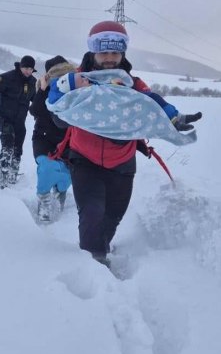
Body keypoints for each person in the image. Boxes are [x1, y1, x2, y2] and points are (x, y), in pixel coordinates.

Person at [49, 21, 199, 268]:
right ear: (93, 51)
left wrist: (174, 117)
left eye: (115, 52)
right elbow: (55, 101)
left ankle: (102, 246)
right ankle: (93, 264)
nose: (109, 58)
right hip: (84, 158)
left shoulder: (132, 84)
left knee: (113, 215)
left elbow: (153, 102)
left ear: (122, 53)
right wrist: (59, 114)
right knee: (91, 214)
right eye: (104, 52)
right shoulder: (77, 80)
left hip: (122, 161)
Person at [48, 71, 203, 135]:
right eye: (81, 80)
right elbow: (107, 99)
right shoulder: (84, 95)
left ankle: (177, 117)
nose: (85, 78)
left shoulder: (91, 83)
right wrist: (116, 86)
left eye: (115, 52)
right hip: (86, 159)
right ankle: (174, 121)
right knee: (153, 100)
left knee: (154, 98)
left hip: (124, 158)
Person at [29, 55, 77, 222]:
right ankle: (44, 199)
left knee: (67, 172)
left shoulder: (75, 89)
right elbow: (35, 111)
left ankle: (60, 192)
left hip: (69, 139)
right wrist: (42, 90)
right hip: (43, 138)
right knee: (46, 167)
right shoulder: (44, 89)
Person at [0, 55, 37, 187]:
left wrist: (38, 114)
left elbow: (36, 102)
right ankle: (3, 178)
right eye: (25, 67)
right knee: (7, 147)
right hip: (5, 120)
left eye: (30, 68)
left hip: (20, 122)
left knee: (18, 150)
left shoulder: (33, 82)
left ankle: (13, 176)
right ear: (20, 66)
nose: (27, 71)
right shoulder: (7, 78)